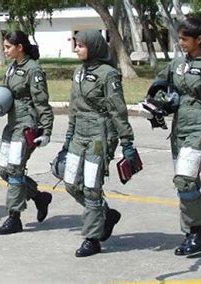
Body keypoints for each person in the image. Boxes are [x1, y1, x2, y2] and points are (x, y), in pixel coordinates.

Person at [141, 17, 201, 256]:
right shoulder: (178, 64)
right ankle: (193, 229)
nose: (181, 43)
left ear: (199, 39)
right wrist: (155, 104)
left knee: (184, 180)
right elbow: (160, 85)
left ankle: (196, 230)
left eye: (185, 39)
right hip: (180, 128)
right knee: (186, 182)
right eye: (180, 38)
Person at [62, 29, 138, 257]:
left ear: (93, 46)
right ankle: (106, 214)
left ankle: (92, 238)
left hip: (100, 135)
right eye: (76, 44)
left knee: (92, 188)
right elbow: (74, 107)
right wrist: (68, 138)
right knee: (70, 183)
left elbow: (118, 111)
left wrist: (126, 142)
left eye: (81, 45)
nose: (76, 49)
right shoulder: (78, 72)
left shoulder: (109, 75)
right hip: (79, 135)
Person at [0, 31, 54, 235]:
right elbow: (7, 93)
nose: (5, 50)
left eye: (8, 47)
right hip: (11, 125)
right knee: (4, 170)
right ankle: (38, 197)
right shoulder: (12, 68)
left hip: (26, 125)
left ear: (20, 47)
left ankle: (14, 217)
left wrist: (46, 130)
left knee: (15, 170)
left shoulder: (33, 70)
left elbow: (42, 103)